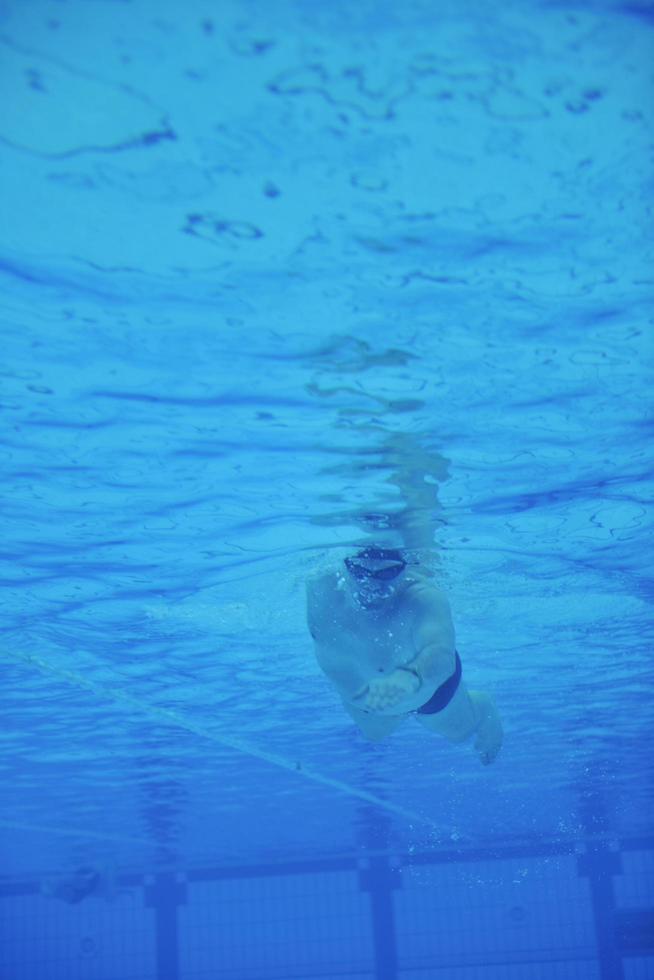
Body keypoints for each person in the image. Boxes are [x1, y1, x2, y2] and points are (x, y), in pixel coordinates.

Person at [305, 437, 503, 766]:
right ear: (346, 563)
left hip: (427, 691)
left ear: (404, 568)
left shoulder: (423, 597)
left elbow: (440, 655)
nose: (373, 587)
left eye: (387, 575)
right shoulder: (321, 584)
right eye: (361, 572)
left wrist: (408, 678)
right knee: (375, 734)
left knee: (458, 732)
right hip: (367, 702)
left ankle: (482, 706)